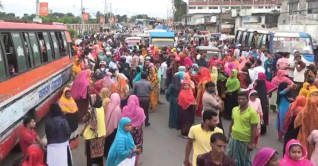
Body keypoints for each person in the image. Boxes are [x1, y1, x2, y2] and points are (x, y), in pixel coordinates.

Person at [227, 92, 259, 166]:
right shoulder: (234, 109)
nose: (241, 101)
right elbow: (232, 123)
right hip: (234, 139)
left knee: (244, 160)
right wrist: (229, 136)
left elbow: (254, 128)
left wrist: (251, 143)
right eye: (239, 99)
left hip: (245, 140)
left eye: (243, 99)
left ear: (247, 100)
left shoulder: (252, 112)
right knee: (231, 158)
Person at [121, 95, 146, 166]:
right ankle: (136, 162)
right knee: (137, 145)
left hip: (127, 130)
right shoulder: (140, 110)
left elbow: (122, 120)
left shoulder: (125, 109)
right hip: (138, 131)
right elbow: (142, 120)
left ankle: (128, 161)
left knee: (127, 146)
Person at [82, 94, 106, 166]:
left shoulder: (92, 110)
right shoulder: (102, 108)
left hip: (92, 135)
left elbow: (84, 119)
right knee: (99, 153)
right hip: (101, 134)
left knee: (90, 155)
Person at [295, 89, 318, 159]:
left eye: (316, 95)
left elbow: (296, 123)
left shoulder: (302, 111)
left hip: (303, 133)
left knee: (303, 149)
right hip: (314, 135)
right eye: (313, 94)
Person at [104, 93, 122, 159]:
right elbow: (118, 121)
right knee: (113, 142)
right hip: (114, 128)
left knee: (107, 141)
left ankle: (106, 153)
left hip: (107, 126)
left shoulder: (108, 105)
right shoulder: (118, 109)